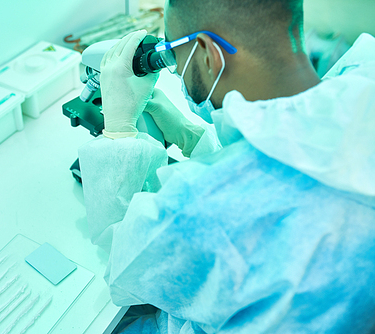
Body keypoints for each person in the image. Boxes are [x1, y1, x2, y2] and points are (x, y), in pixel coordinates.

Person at [78, 0, 375, 332]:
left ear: (208, 54)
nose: (177, 73)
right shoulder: (364, 80)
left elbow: (125, 264)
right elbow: (284, 149)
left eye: (177, 62)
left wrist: (119, 132)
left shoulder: (204, 204)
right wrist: (190, 135)